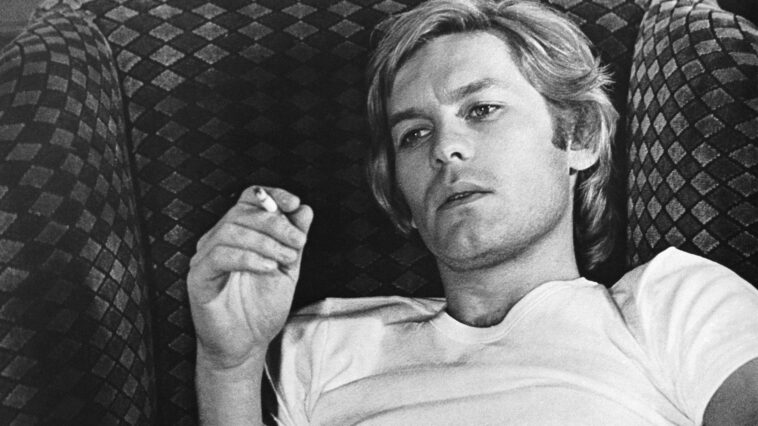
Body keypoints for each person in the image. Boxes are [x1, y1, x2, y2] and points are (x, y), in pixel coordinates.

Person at [187, 0, 758, 424]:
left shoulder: (672, 307)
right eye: (414, 134)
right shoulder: (320, 344)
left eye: (482, 109)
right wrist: (228, 366)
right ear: (400, 194)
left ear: (579, 136)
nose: (445, 148)